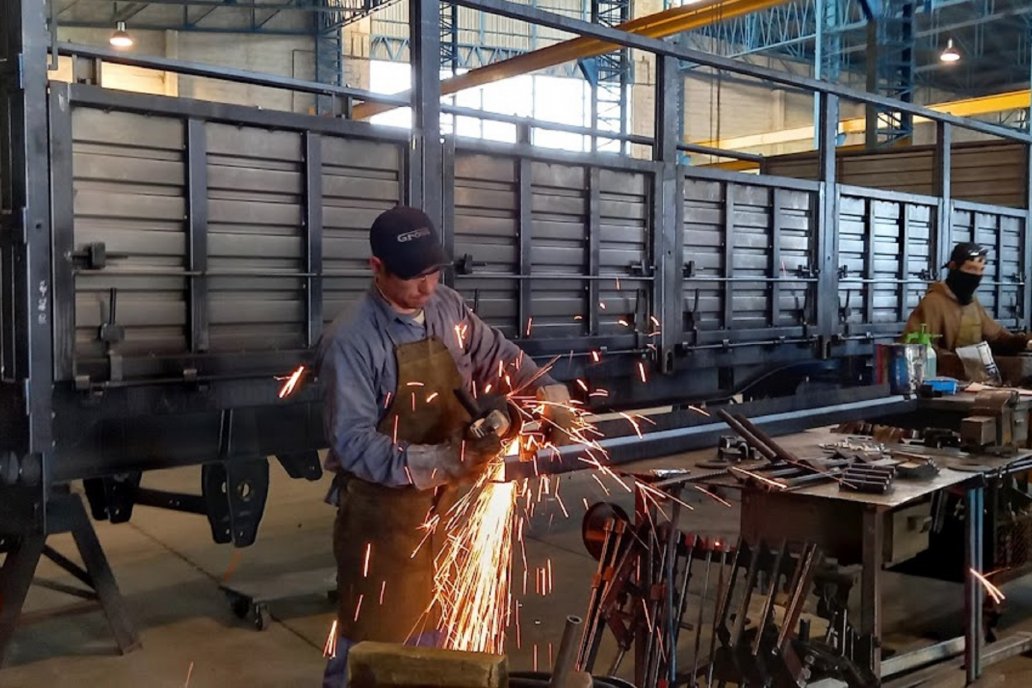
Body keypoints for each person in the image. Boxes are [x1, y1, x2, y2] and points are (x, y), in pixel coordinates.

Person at [317, 206, 576, 687]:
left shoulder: (446, 307)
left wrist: (543, 387)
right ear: (377, 269)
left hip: (452, 508)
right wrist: (438, 460)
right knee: (373, 651)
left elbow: (495, 354)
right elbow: (352, 443)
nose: (427, 289)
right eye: (414, 279)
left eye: (434, 273)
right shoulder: (351, 339)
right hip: (386, 521)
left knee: (444, 645)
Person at [903, 242, 1032, 377]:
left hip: (975, 378)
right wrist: (956, 361)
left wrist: (1024, 342)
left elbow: (997, 336)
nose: (976, 276)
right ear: (953, 267)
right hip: (944, 380)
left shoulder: (972, 303)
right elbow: (916, 346)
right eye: (971, 269)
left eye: (980, 270)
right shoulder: (933, 302)